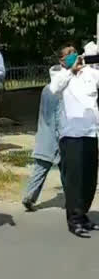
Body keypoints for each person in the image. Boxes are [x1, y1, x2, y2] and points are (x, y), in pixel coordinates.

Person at [48, 48, 99, 237]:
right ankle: (74, 220)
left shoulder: (90, 73)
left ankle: (83, 214)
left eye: (74, 51)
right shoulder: (60, 74)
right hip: (71, 136)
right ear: (62, 60)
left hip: (91, 133)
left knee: (89, 179)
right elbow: (54, 89)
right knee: (74, 180)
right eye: (67, 54)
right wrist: (70, 70)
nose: (73, 54)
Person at [22, 59, 68, 211]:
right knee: (66, 170)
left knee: (40, 168)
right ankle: (72, 199)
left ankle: (29, 196)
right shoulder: (60, 92)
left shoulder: (46, 89)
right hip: (58, 135)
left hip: (44, 134)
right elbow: (58, 116)